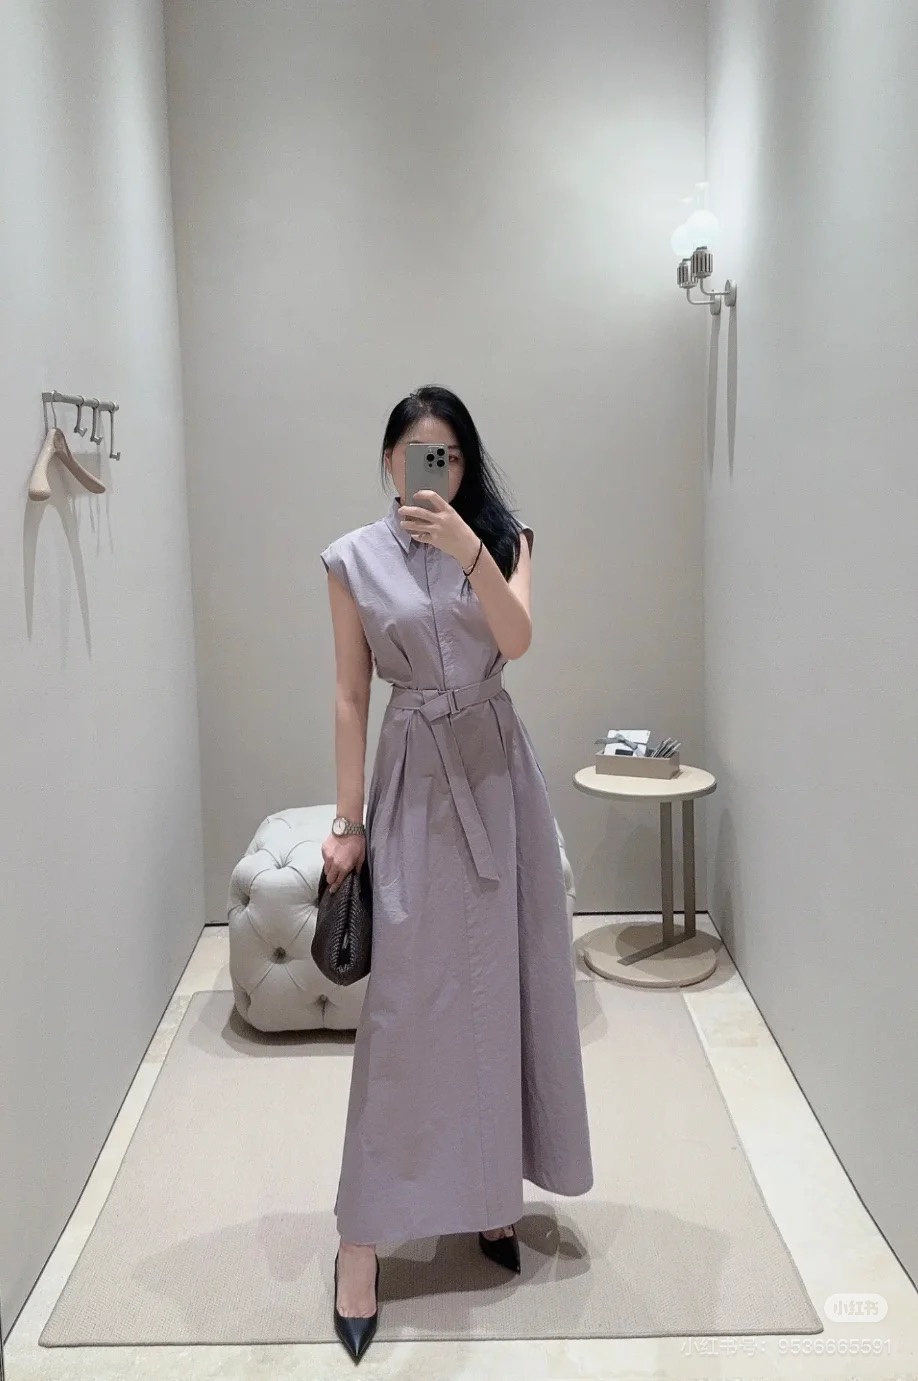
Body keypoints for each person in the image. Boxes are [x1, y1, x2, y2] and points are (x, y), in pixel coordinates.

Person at [320, 385, 593, 1363]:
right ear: (389, 463)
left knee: (501, 994)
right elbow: (351, 694)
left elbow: (516, 640)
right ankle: (361, 1240)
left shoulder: (509, 539)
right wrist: (348, 821)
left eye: (446, 456)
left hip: (496, 776)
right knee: (405, 1014)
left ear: (466, 464)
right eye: (411, 455)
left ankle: (488, 1196)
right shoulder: (353, 559)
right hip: (415, 782)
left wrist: (472, 549)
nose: (428, 471)